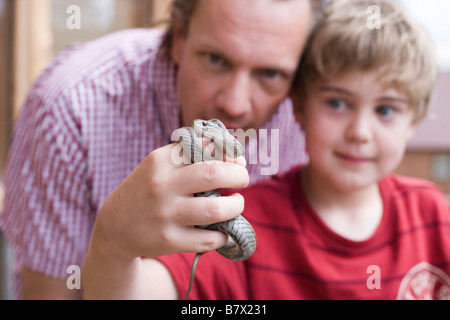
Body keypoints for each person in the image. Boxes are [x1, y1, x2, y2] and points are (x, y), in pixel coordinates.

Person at [83, 0, 450, 299]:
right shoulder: (242, 211)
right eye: (337, 104)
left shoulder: (434, 215)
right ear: (299, 107)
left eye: (385, 110)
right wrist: (111, 244)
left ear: (415, 119)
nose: (359, 132)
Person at [0, 0, 326, 299]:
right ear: (180, 36)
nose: (235, 104)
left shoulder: (317, 114)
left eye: (271, 74)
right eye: (216, 60)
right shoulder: (69, 106)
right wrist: (113, 243)